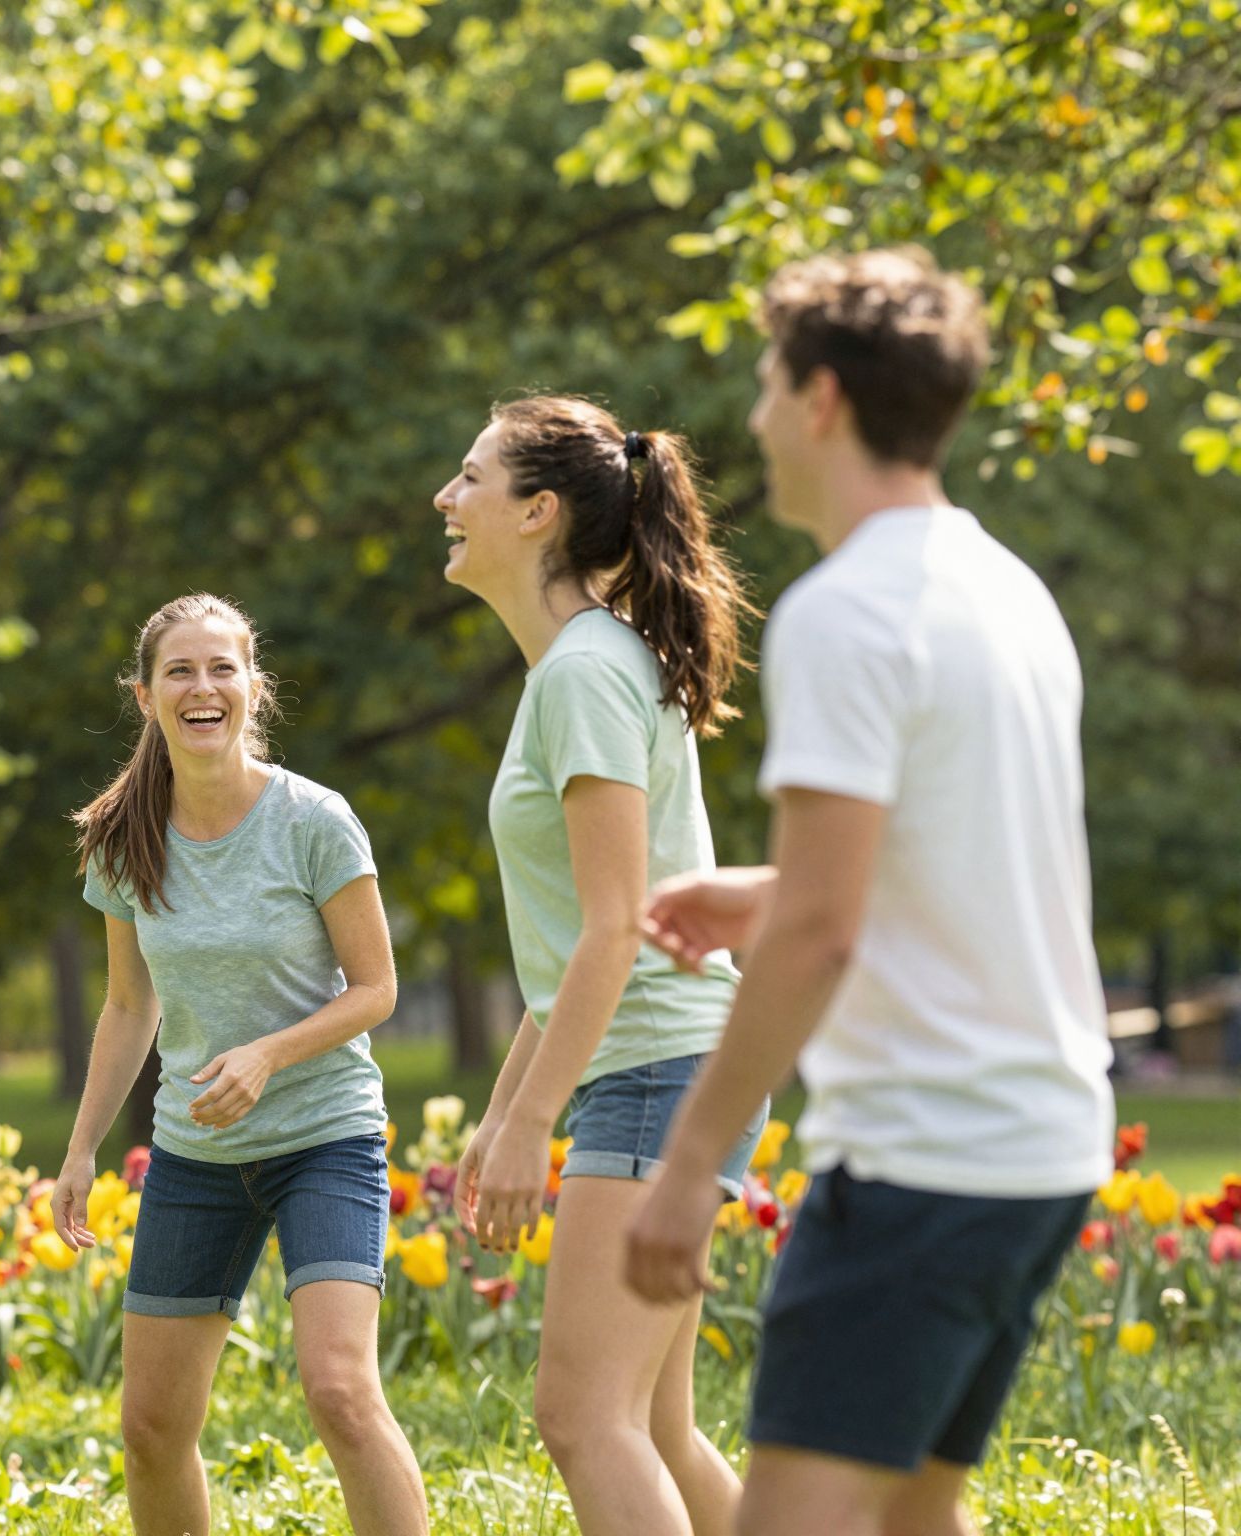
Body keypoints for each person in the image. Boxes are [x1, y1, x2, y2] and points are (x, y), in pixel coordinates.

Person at [625, 248, 1114, 1536]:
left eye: (767, 383)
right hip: (1038, 1143)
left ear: (824, 398)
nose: (751, 418)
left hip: (922, 1160)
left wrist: (686, 1168)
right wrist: (769, 888)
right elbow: (954, 855)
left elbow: (822, 938)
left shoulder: (844, 613)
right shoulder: (1003, 593)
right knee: (909, 1515)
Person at [435, 395, 765, 1536]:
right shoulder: (587, 667)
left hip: (656, 1072)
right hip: (668, 1067)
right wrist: (504, 1109)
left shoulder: (582, 673)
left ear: (536, 513)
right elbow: (576, 940)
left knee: (583, 1417)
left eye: (467, 478)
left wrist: (532, 1122)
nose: (444, 498)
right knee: (654, 1428)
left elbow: (617, 928)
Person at [50, 593, 427, 1536]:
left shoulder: (314, 821)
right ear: (145, 696)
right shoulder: (122, 838)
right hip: (195, 1156)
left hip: (324, 1139)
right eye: (180, 670)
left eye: (223, 668)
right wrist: (82, 1147)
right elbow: (129, 1005)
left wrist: (265, 1054)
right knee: (151, 1427)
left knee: (339, 1391)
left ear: (254, 688)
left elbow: (376, 989)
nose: (203, 687)